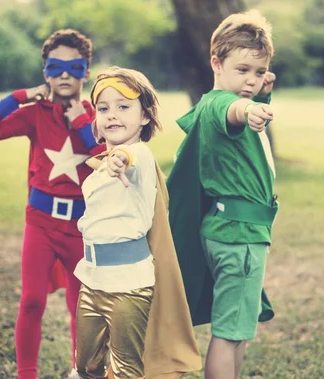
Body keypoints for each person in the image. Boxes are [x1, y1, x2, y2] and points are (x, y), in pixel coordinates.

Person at [0, 29, 105, 378]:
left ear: (85, 71)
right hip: (41, 222)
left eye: (73, 67)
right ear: (45, 71)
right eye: (55, 67)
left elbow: (107, 161)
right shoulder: (35, 113)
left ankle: (81, 371)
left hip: (81, 225)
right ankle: (26, 373)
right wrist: (21, 96)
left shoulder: (95, 115)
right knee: (31, 301)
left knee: (81, 306)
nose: (63, 75)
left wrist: (83, 125)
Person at [167, 10, 278, 379]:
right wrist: (250, 109)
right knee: (229, 334)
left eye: (259, 72)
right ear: (216, 62)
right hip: (238, 237)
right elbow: (235, 110)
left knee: (237, 331)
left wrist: (263, 97)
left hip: (231, 231)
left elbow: (244, 115)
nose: (250, 81)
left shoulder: (215, 101)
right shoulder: (220, 104)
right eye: (242, 70)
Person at [75, 66, 201, 379]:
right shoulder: (101, 168)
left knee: (126, 370)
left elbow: (130, 160)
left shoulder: (138, 156)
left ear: (145, 116)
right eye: (103, 108)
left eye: (123, 106)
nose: (112, 115)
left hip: (128, 286)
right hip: (92, 280)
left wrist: (121, 159)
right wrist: (110, 161)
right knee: (86, 366)